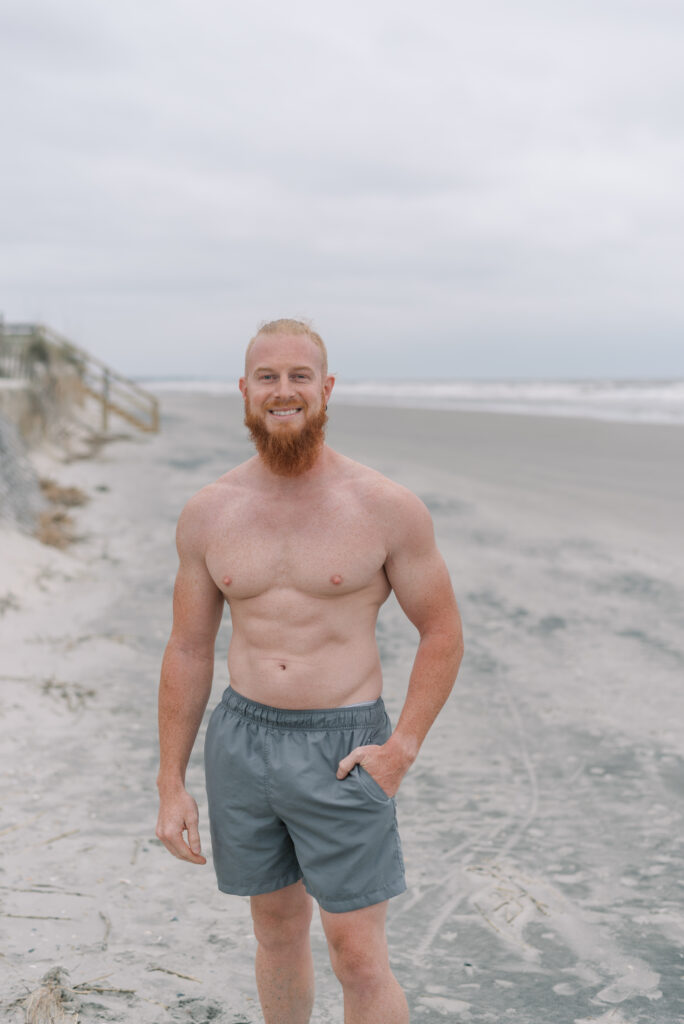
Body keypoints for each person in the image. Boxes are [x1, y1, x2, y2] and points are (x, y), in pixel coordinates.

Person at [156, 318, 464, 1024]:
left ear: (326, 390)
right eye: (268, 376)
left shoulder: (384, 506)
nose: (283, 390)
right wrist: (170, 781)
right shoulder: (209, 513)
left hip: (344, 747)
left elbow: (442, 631)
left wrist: (402, 748)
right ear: (244, 391)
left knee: (356, 952)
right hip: (242, 737)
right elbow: (187, 648)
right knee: (276, 933)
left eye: (300, 377)